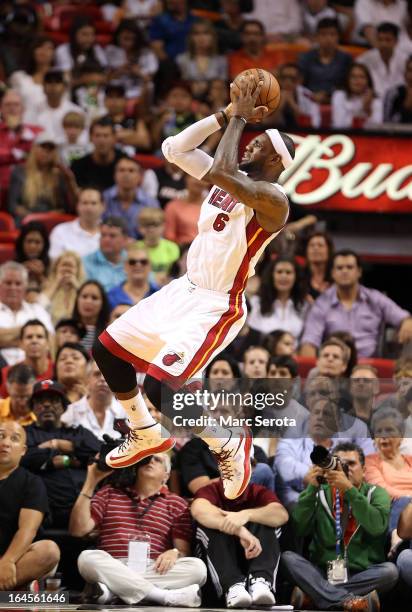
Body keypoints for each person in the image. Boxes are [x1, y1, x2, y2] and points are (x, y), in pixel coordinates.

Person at [92, 74, 294, 500]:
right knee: (106, 350)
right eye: (248, 139)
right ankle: (144, 431)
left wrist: (238, 116)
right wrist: (223, 115)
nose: (247, 145)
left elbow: (220, 169)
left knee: (160, 387)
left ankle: (229, 441)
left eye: (258, 145)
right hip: (184, 289)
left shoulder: (273, 200)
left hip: (218, 304)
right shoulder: (228, 180)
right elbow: (174, 149)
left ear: (276, 160)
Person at [70, 454, 207, 607]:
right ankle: (162, 596)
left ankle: (112, 590)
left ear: (166, 475)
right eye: (147, 458)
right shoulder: (110, 492)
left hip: (153, 567)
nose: (151, 461)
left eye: (158, 460)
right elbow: (78, 530)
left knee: (198, 569)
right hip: (113, 563)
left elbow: (182, 550)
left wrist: (174, 552)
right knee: (87, 558)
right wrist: (91, 481)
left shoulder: (176, 503)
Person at [282, 442, 398, 611]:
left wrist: (350, 490)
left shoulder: (376, 493)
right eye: (339, 464)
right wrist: (311, 488)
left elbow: (377, 527)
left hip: (362, 574)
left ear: (364, 471)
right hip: (322, 573)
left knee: (390, 572)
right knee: (288, 558)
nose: (345, 469)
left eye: (351, 464)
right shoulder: (319, 493)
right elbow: (300, 529)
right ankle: (350, 601)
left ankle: (315, 596)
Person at [191, 478, 288, 607]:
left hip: (252, 554)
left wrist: (246, 514)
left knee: (268, 521)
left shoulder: (258, 491)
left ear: (251, 469)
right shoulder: (211, 490)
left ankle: (260, 582)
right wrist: (240, 531)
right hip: (218, 566)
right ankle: (233, 587)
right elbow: (199, 510)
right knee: (209, 524)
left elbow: (281, 514)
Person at [300, 249, 412, 358]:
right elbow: (309, 342)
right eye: (339, 268)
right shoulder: (321, 303)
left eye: (349, 267)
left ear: (359, 272)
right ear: (333, 273)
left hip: (369, 368)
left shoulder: (375, 298)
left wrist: (407, 322)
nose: (345, 271)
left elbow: (405, 318)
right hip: (335, 367)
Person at [21, 380, 101, 528]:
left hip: (83, 511)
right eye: (40, 401)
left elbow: (99, 454)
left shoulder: (78, 432)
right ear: (32, 407)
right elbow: (23, 459)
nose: (46, 405)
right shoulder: (25, 433)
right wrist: (65, 460)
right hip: (42, 514)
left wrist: (58, 445)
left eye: (53, 400)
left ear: (64, 406)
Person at [0, 420, 60, 591]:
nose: (5, 443)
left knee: (48, 551)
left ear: (23, 451)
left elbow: (27, 529)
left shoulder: (32, 483)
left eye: (14, 439)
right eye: (1, 436)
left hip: (14, 559)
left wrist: (8, 561)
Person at [365, 406, 412, 551]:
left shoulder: (410, 460)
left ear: (401, 435)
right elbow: (381, 490)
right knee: (403, 501)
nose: (383, 435)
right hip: (389, 511)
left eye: (389, 430)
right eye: (379, 431)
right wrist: (408, 496)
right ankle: (396, 539)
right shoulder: (370, 461)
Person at [8, 132, 77, 225]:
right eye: (43, 147)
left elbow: (67, 207)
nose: (46, 152)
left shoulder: (59, 175)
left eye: (50, 149)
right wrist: (33, 218)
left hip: (52, 220)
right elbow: (13, 205)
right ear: (34, 149)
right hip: (25, 220)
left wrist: (70, 180)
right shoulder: (19, 172)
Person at [0, 262, 54, 366]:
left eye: (18, 283)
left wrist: (4, 339)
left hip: (35, 369)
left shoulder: (38, 310)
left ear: (25, 287)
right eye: (8, 283)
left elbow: (50, 340)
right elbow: (43, 338)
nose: (13, 288)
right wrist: (29, 335)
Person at [61, 360, 125, 440]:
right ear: (87, 379)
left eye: (108, 374)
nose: (102, 379)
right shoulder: (70, 413)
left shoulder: (126, 413)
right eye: (97, 374)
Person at [247, 257, 307, 337]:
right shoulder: (256, 303)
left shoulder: (303, 305)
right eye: (279, 272)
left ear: (296, 277)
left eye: (288, 272)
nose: (283, 276)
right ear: (271, 275)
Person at [298, 18, 353, 104]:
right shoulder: (305, 58)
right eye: (323, 34)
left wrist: (329, 96)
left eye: (332, 34)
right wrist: (312, 95)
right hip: (309, 100)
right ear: (316, 37)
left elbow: (349, 85)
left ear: (338, 37)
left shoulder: (346, 59)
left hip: (339, 101)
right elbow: (299, 85)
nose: (328, 39)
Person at [103, 157, 159, 238]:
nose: (126, 174)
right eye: (121, 170)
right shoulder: (103, 198)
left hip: (142, 247)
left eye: (131, 170)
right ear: (115, 175)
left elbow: (156, 233)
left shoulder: (151, 203)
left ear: (140, 176)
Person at [24, 69, 84, 144]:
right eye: (49, 82)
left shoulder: (76, 112)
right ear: (43, 88)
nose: (53, 86)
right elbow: (27, 137)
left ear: (65, 88)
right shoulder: (32, 111)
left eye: (57, 82)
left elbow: (82, 140)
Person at [106, 19, 159, 100]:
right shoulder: (111, 50)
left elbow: (149, 79)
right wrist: (120, 71)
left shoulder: (146, 53)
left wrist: (138, 72)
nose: (128, 43)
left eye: (132, 39)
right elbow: (106, 79)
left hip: (138, 89)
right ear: (118, 36)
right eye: (125, 38)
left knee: (149, 86)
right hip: (117, 90)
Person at [0, 89, 42, 191]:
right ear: (1, 109)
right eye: (8, 105)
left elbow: (40, 157)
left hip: (28, 187)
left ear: (23, 109)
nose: (12, 108)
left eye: (16, 104)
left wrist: (8, 155)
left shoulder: (36, 131)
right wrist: (22, 154)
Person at [0, 320, 54, 398]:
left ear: (48, 343)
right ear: (21, 343)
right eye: (29, 337)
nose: (34, 341)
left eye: (39, 337)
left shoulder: (58, 370)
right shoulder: (6, 373)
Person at [176, 20, 228, 100]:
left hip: (214, 102)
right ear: (191, 38)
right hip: (188, 101)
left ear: (213, 37)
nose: (201, 38)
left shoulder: (221, 61)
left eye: (206, 33)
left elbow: (222, 86)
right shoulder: (181, 60)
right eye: (196, 34)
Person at [71, 117, 126, 192]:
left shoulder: (126, 164)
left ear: (114, 138)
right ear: (90, 138)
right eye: (97, 135)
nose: (101, 140)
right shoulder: (78, 167)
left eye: (106, 136)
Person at [49, 189, 104, 260]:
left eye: (93, 203)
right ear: (77, 206)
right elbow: (55, 263)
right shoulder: (60, 231)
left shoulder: (112, 233)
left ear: (103, 206)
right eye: (85, 203)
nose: (89, 208)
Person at [358, 22, 408, 99]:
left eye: (388, 40)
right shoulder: (365, 59)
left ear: (396, 41)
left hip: (399, 101)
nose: (383, 44)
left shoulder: (405, 60)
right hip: (373, 100)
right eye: (380, 39)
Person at [9, 36, 55, 115]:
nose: (44, 51)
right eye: (40, 47)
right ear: (32, 51)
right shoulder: (19, 77)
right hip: (24, 124)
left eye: (49, 48)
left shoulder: (60, 79)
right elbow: (11, 104)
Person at [102, 82, 152, 153]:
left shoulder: (136, 121)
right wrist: (131, 134)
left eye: (118, 97)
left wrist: (112, 136)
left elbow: (145, 142)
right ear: (105, 100)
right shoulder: (99, 121)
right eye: (110, 97)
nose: (114, 101)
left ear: (125, 100)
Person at [82, 217, 128, 292]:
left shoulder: (135, 262)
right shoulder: (85, 263)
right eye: (103, 235)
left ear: (124, 239)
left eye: (112, 236)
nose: (106, 239)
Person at [270, 63, 321, 129]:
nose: (288, 82)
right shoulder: (270, 94)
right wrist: (280, 105)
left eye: (292, 78)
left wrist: (292, 104)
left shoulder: (307, 95)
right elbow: (265, 124)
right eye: (284, 78)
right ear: (279, 79)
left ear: (300, 80)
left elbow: (311, 124)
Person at [135, 208, 180, 283]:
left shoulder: (173, 248)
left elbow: (175, 274)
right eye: (147, 225)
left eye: (155, 224)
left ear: (163, 226)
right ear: (139, 227)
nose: (151, 229)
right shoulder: (135, 248)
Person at [331, 62, 383, 128]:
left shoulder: (376, 100)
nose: (357, 80)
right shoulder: (339, 96)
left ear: (368, 81)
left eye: (362, 77)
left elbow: (377, 128)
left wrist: (367, 110)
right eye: (353, 77)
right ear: (348, 80)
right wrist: (360, 112)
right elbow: (339, 124)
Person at [107, 245, 159, 310]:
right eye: (132, 262)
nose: (138, 265)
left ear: (150, 266)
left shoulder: (159, 294)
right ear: (125, 266)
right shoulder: (111, 296)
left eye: (143, 262)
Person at [41, 252, 86, 325]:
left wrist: (75, 285)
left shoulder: (83, 288)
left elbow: (87, 303)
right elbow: (40, 305)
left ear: (77, 270)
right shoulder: (46, 286)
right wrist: (57, 283)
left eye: (71, 266)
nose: (67, 269)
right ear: (56, 268)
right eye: (64, 265)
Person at [164, 174, 208, 245]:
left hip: (207, 249)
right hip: (183, 250)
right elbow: (169, 238)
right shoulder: (173, 206)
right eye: (195, 177)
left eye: (204, 179)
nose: (199, 182)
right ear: (186, 178)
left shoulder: (212, 207)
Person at [72, 281, 111, 352]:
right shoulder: (66, 328)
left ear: (103, 303)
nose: (88, 301)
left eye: (94, 298)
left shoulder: (109, 332)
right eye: (84, 296)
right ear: (77, 300)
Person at [15, 221, 50, 288]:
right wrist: (19, 271)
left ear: (45, 245)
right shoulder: (11, 266)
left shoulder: (53, 266)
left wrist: (40, 276)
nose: (32, 246)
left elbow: (55, 294)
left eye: (37, 242)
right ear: (21, 243)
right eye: (29, 241)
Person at [303, 230, 334, 300]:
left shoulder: (336, 277)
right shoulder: (299, 276)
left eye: (320, 245)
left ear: (329, 250)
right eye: (312, 245)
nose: (315, 248)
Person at [384, 55, 412, 122]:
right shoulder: (393, 93)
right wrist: (405, 108)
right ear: (405, 74)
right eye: (410, 70)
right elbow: (387, 123)